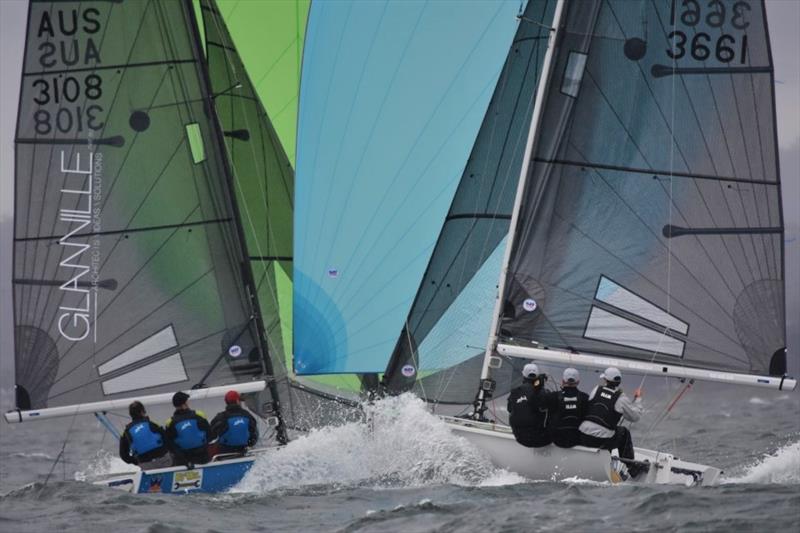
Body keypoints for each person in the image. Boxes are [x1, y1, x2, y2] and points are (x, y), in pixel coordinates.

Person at [579, 367, 643, 476]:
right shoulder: (621, 398)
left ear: (605, 380)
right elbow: (635, 417)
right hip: (601, 441)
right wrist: (637, 399)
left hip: (583, 437)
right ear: (618, 382)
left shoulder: (596, 389)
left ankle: (601, 460)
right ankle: (632, 468)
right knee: (624, 433)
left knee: (608, 431)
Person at [506, 363, 559, 448]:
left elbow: (509, 409)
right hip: (541, 440)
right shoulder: (545, 392)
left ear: (523, 375)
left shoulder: (514, 392)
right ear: (537, 376)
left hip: (519, 438)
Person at [119, 401, 171, 470]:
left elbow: (124, 456)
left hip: (145, 465)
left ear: (131, 415)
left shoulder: (126, 432)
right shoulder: (151, 424)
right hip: (163, 461)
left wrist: (136, 461)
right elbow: (167, 439)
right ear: (143, 412)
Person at [165, 391, 211, 466]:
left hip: (183, 460)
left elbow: (170, 444)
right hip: (202, 457)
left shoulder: (170, 422)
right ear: (185, 403)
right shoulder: (199, 415)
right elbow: (210, 434)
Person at [209, 390, 258, 457]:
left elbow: (211, 435)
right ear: (238, 401)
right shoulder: (247, 415)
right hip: (243, 450)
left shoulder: (221, 417)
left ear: (226, 402)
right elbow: (254, 434)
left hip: (224, 452)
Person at [550, 368, 589, 448]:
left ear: (563, 381)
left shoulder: (552, 396)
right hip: (578, 443)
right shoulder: (586, 398)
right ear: (578, 382)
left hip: (555, 442)